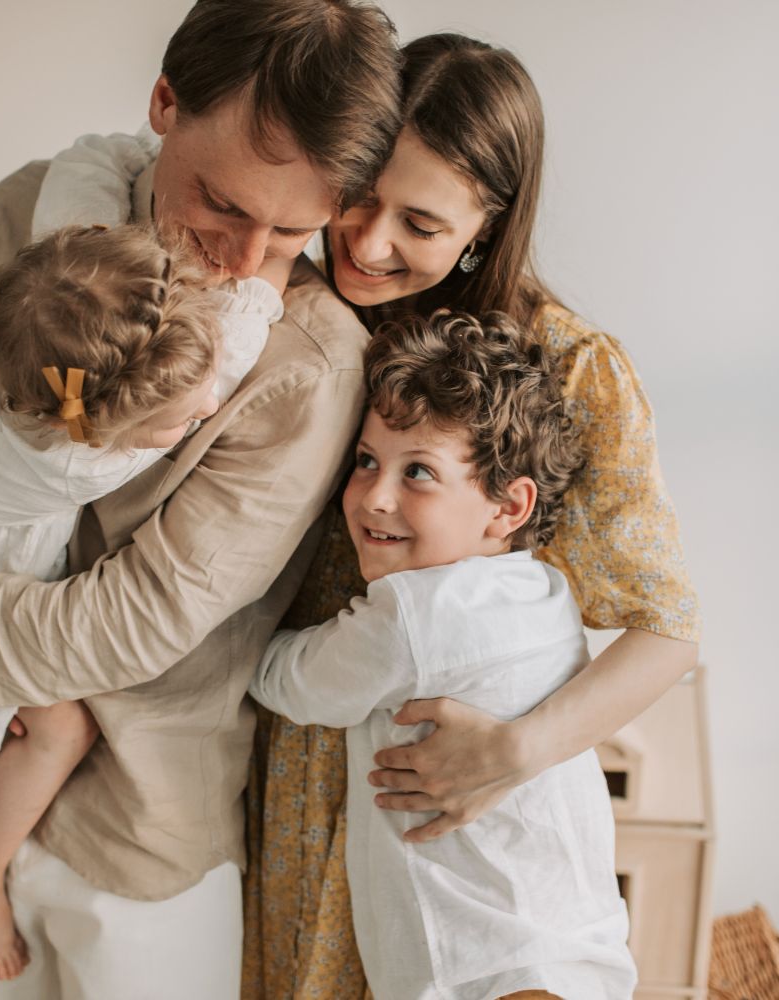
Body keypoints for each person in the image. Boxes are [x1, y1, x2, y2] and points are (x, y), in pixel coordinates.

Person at [0, 2, 402, 997]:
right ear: (163, 102)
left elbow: (138, 620)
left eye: (294, 230)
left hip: (145, 829)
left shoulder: (308, 364)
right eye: (220, 205)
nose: (243, 259)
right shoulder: (26, 214)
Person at [243, 32, 700, 998]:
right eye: (359, 197)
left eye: (419, 220)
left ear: (487, 226)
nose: (368, 243)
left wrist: (512, 753)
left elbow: (668, 632)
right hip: (296, 784)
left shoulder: (570, 371)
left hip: (458, 814)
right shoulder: (284, 312)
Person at [0, 222, 293, 980]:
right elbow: (232, 355)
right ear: (96, 433)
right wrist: (275, 260)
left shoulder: (22, 333)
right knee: (57, 727)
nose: (208, 408)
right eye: (180, 422)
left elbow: (82, 184)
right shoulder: (72, 459)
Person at [251, 312, 637, 1000]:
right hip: (575, 945)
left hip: (481, 966)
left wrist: (242, 627)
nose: (376, 495)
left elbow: (290, 681)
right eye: (366, 460)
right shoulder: (545, 592)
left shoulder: (414, 615)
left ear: (505, 507)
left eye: (419, 471)